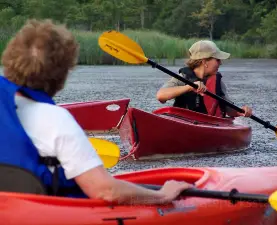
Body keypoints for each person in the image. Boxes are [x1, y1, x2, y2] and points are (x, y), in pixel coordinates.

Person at [0, 19, 193, 204]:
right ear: (62, 74)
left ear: (9, 60)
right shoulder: (56, 119)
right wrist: (162, 195)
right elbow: (105, 191)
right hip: (43, 212)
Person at [156, 40, 252, 118]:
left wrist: (240, 111)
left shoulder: (218, 83)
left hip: (207, 124)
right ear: (205, 61)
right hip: (183, 121)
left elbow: (229, 110)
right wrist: (189, 87)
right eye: (217, 60)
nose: (220, 63)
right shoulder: (182, 78)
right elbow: (161, 96)